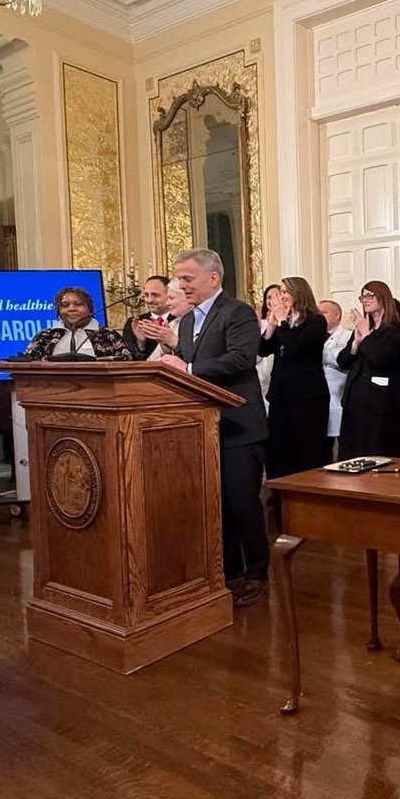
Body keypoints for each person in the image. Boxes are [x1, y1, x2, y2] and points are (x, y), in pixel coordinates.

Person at [159, 249, 268, 608]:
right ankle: (228, 571)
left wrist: (186, 369)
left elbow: (240, 359)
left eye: (187, 278)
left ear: (213, 278)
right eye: (179, 278)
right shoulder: (188, 321)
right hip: (205, 426)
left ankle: (256, 574)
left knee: (243, 503)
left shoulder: (237, 313)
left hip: (239, 424)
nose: (181, 285)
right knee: (216, 504)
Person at [259, 277, 330, 478]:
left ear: (298, 293)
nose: (281, 296)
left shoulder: (316, 321)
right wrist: (272, 325)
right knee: (279, 450)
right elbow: (263, 350)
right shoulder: (284, 321)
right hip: (281, 395)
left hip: (306, 397)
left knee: (305, 451)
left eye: (285, 291)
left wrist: (282, 322)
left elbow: (294, 349)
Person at [337, 281, 400, 459]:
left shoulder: (398, 332)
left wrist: (367, 336)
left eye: (370, 295)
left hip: (384, 406)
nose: (365, 300)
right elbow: (343, 362)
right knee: (353, 456)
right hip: (356, 403)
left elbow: (381, 359)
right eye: (362, 296)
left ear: (383, 297)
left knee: (380, 456)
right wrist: (355, 343)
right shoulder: (363, 330)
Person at [20, 286, 132, 360]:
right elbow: (27, 363)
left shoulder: (109, 336)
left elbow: (127, 363)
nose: (71, 309)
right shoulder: (45, 337)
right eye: (65, 305)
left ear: (89, 308)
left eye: (78, 304)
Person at [319, 299, 350, 459]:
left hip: (339, 398)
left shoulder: (348, 336)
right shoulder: (315, 335)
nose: (319, 316)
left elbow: (343, 360)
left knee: (344, 451)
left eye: (324, 312)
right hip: (319, 400)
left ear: (337, 315)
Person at [135, 281, 193, 361]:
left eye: (171, 298)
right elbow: (152, 362)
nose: (167, 303)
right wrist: (164, 345)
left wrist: (174, 342)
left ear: (187, 297)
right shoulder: (172, 324)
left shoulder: (204, 322)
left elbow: (201, 360)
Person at [122, 275, 174, 358]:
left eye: (155, 295)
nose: (149, 300)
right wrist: (141, 343)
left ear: (168, 295)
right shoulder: (136, 323)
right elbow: (129, 360)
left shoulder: (180, 320)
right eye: (146, 295)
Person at [255, 284, 280, 409]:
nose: (272, 301)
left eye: (276, 296)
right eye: (269, 297)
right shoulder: (260, 323)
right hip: (260, 373)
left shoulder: (288, 322)